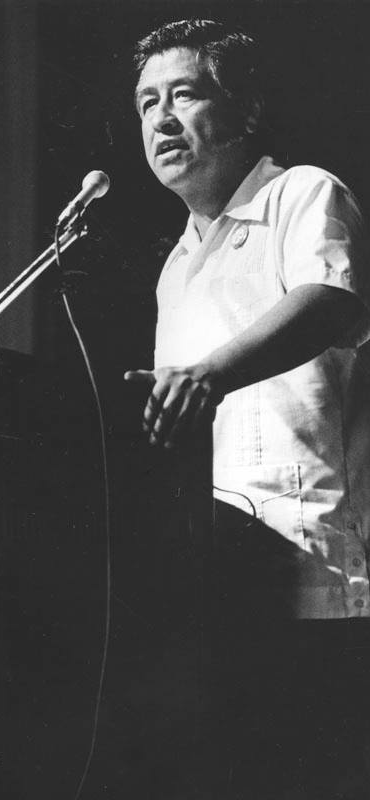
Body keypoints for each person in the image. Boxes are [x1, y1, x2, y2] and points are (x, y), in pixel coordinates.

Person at [120, 18, 370, 799]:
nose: (161, 119)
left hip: (317, 566)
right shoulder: (173, 269)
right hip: (221, 584)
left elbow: (329, 299)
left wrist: (206, 375)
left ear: (245, 109)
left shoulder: (301, 192)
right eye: (146, 103)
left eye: (184, 95)